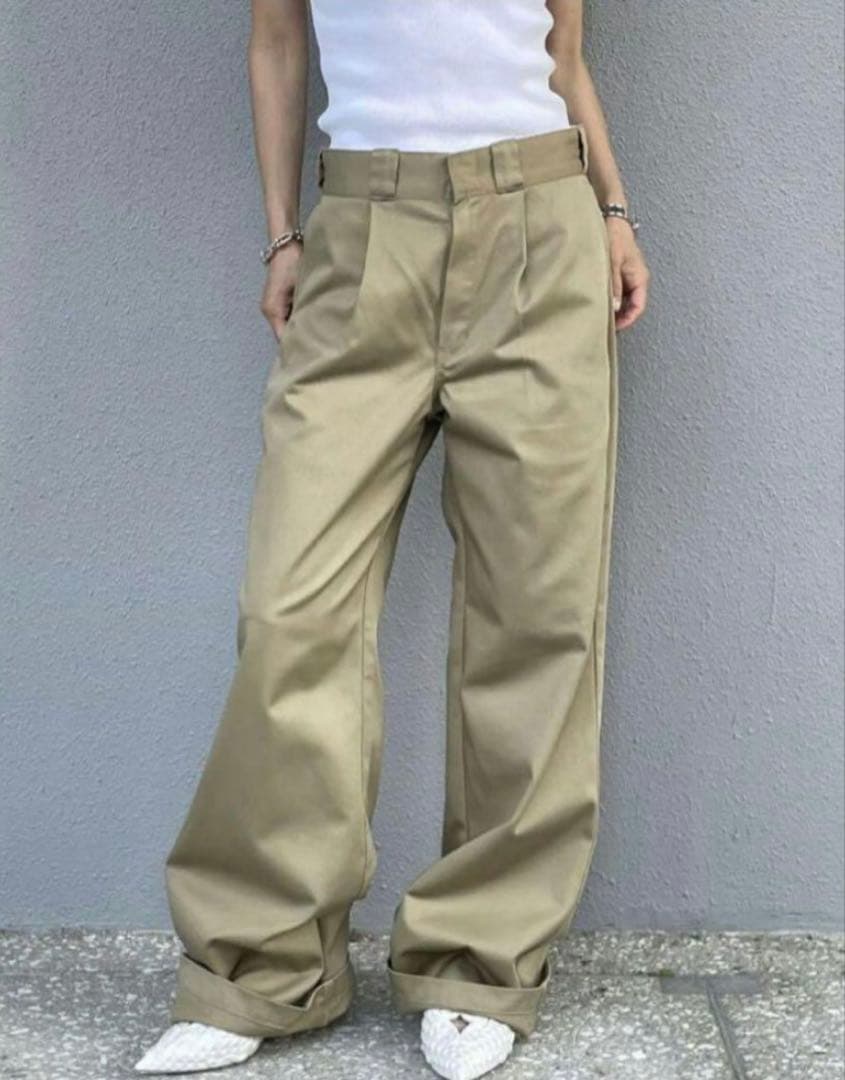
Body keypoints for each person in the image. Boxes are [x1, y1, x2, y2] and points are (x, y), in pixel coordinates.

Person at [135, 1, 649, 1077]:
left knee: (535, 610)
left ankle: (480, 965)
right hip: (363, 229)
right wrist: (283, 233)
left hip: (540, 227)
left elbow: (560, 55)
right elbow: (278, 42)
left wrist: (614, 208)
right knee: (290, 608)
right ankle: (260, 969)